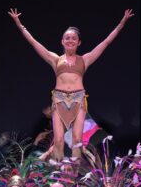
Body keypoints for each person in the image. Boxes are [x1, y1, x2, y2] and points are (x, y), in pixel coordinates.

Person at [8, 8, 134, 160]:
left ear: (79, 42)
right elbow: (34, 42)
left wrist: (122, 23)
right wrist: (19, 23)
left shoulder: (85, 60)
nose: (70, 40)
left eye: (74, 38)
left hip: (78, 100)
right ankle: (59, 172)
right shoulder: (55, 59)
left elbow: (106, 42)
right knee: (58, 141)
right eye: (67, 38)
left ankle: (73, 173)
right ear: (62, 41)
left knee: (77, 141)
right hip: (59, 100)